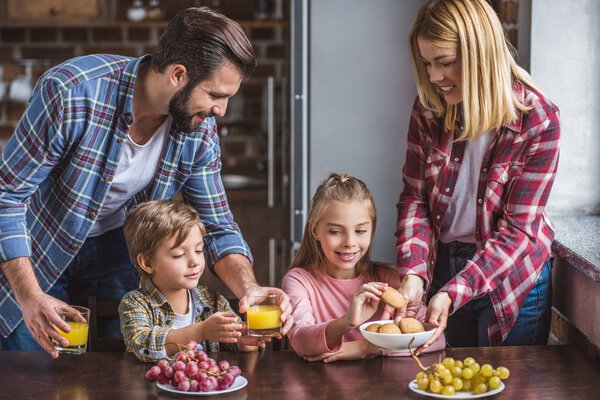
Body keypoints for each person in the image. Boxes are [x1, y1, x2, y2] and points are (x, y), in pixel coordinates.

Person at [0, 7, 291, 357]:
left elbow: (217, 225)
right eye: (216, 95)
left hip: (119, 253)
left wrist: (250, 287)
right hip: (39, 252)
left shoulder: (198, 132)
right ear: (178, 74)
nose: (221, 111)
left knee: (120, 373)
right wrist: (29, 296)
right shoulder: (71, 93)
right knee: (30, 376)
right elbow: (7, 196)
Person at [394, 0, 560, 351]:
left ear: (480, 54)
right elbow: (415, 198)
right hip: (443, 268)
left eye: (446, 62)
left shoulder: (538, 120)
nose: (434, 77)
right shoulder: (429, 109)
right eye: (427, 64)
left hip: (513, 279)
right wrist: (413, 272)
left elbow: (518, 231)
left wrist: (455, 291)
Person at [282, 173, 444, 362]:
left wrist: (368, 347)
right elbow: (301, 342)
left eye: (360, 231)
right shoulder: (299, 281)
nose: (350, 242)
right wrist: (346, 323)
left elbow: (436, 338)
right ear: (315, 230)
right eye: (335, 231)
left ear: (371, 229)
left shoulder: (388, 280)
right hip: (321, 388)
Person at [119, 200, 262, 362]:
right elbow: (142, 345)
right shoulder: (135, 303)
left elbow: (234, 346)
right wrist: (200, 332)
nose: (195, 262)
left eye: (199, 250)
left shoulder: (213, 301)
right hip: (150, 386)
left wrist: (244, 342)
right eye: (179, 254)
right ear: (148, 263)